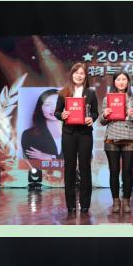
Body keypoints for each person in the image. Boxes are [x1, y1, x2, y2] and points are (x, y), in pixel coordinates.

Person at [54, 63, 99, 215]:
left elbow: (95, 112)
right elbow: (57, 112)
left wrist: (92, 118)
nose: (79, 76)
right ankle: (71, 205)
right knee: (69, 168)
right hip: (69, 134)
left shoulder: (91, 93)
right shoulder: (64, 92)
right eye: (76, 73)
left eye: (82, 73)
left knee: (85, 167)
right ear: (72, 74)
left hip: (85, 134)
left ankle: (85, 204)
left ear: (85, 76)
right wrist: (62, 115)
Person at [99, 71, 133, 214]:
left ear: (128, 82)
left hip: (129, 137)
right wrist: (105, 114)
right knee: (114, 171)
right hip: (112, 137)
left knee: (128, 171)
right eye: (118, 79)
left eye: (124, 79)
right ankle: (116, 201)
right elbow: (102, 121)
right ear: (114, 82)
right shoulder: (107, 99)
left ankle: (126, 201)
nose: (121, 82)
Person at [21, 88, 62, 161]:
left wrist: (51, 157)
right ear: (40, 107)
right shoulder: (29, 135)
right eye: (48, 104)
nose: (53, 109)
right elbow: (32, 162)